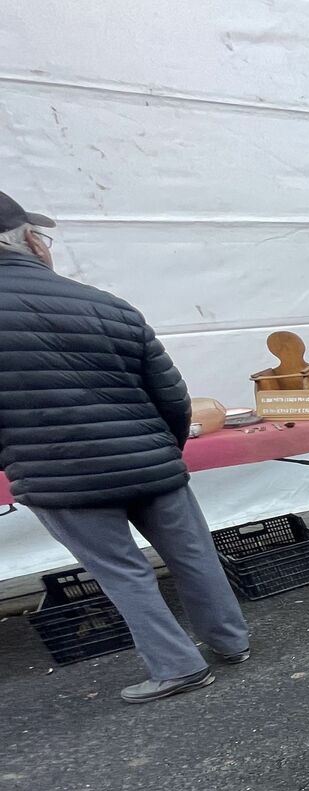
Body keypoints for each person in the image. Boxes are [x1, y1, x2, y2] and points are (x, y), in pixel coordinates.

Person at [0, 191, 251, 703]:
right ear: (29, 240)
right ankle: (231, 641)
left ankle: (179, 667)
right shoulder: (105, 304)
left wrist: (15, 461)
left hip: (58, 477)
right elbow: (171, 394)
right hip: (150, 461)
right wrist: (164, 448)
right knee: (193, 554)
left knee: (122, 571)